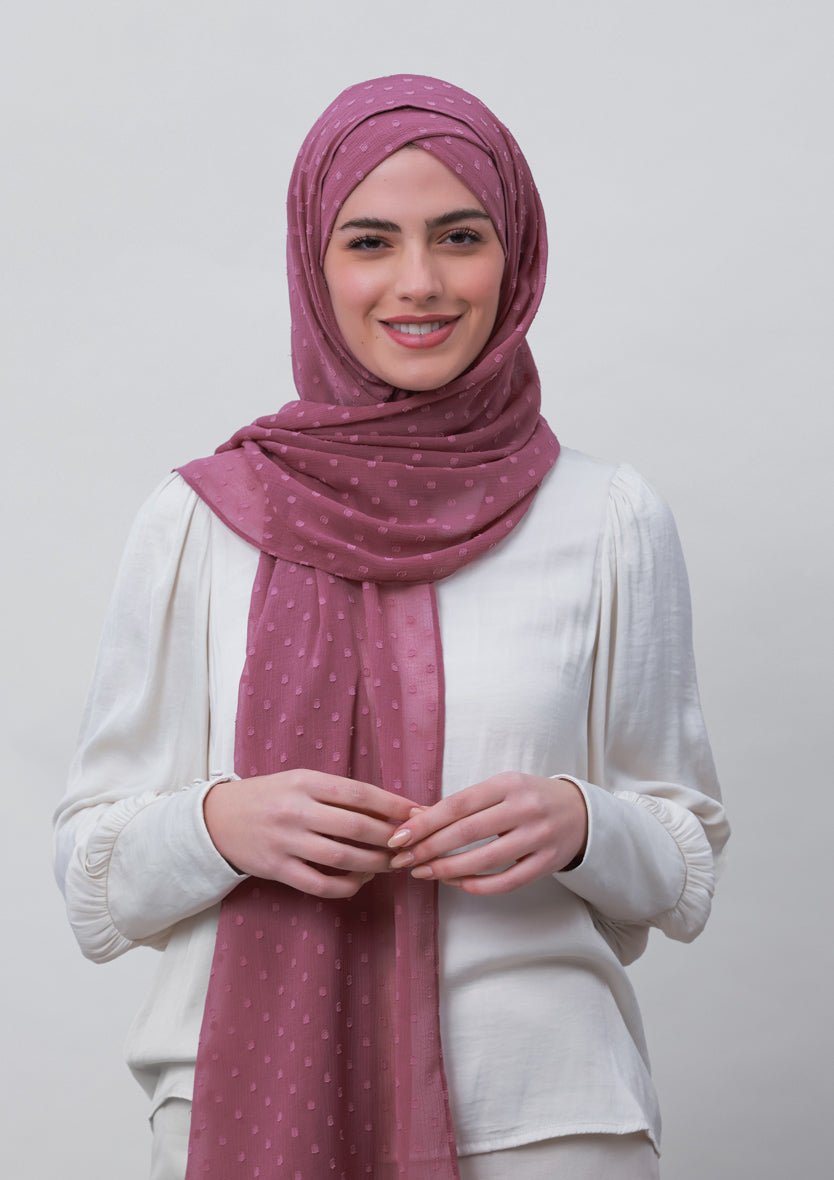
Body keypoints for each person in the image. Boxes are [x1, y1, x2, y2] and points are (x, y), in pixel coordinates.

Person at [53, 74, 729, 1180]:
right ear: (313, 265)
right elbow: (91, 880)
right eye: (370, 241)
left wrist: (579, 821)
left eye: (459, 237)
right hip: (239, 1107)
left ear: (515, 256)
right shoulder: (201, 521)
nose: (419, 282)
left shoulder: (607, 516)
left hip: (543, 1120)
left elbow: (686, 865)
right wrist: (222, 825)